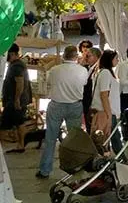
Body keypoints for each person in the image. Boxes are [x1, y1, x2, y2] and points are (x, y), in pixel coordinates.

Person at [36, 46, 87, 178]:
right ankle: (75, 165)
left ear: (64, 56)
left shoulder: (54, 70)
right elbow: (84, 84)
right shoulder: (82, 70)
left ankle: (45, 170)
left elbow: (49, 82)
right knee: (74, 138)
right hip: (75, 105)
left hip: (56, 105)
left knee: (51, 138)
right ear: (76, 57)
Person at [82, 47, 101, 134]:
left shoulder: (99, 69)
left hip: (93, 101)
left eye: (89, 56)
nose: (87, 58)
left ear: (96, 57)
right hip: (86, 100)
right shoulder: (86, 68)